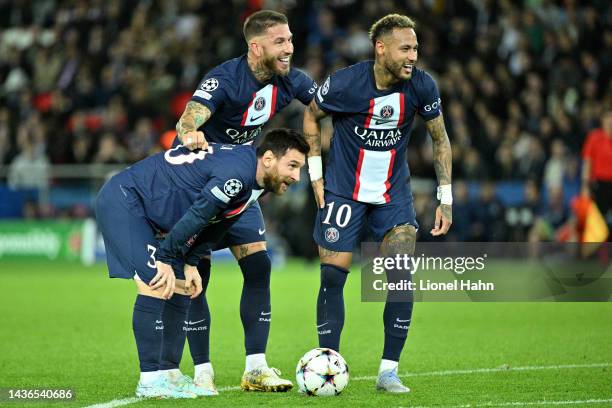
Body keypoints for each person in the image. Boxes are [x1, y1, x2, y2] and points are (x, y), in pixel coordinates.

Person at [95, 129, 309, 398]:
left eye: (300, 168)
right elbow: (199, 214)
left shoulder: (255, 180)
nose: (296, 176)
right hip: (125, 199)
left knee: (183, 284)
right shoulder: (237, 174)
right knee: (156, 283)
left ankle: (169, 374)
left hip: (146, 208)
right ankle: (149, 381)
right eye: (292, 166)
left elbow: (220, 222)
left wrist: (191, 260)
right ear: (268, 158)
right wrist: (165, 257)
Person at [303, 14, 452, 393]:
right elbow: (311, 115)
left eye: (416, 48)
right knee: (332, 276)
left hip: (392, 197)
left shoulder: (421, 85)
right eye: (405, 48)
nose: (413, 56)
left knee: (400, 277)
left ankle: (388, 372)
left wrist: (444, 198)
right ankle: (327, 365)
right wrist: (316, 174)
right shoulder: (345, 83)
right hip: (343, 192)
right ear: (380, 48)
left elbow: (441, 139)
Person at [171, 10, 318, 393]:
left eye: (290, 40)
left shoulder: (290, 82)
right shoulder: (224, 79)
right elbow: (189, 119)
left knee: (258, 267)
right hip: (198, 185)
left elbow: (327, 104)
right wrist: (190, 133)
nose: (289, 48)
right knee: (196, 277)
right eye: (280, 42)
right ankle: (202, 371)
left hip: (240, 184)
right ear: (256, 47)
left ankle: (256, 367)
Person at [581, 108, 612, 233]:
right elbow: (587, 163)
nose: (611, 121)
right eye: (608, 118)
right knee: (598, 223)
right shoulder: (594, 137)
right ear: (603, 120)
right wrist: (585, 186)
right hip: (599, 185)